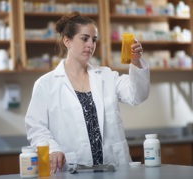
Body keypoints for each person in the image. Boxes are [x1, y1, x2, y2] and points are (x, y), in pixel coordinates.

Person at [25, 11, 150, 173]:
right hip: (72, 168)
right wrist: (52, 149)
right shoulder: (46, 84)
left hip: (113, 168)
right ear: (67, 41)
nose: (91, 44)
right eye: (84, 39)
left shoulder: (107, 76)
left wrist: (136, 62)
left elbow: (137, 95)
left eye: (94, 39)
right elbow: (36, 127)